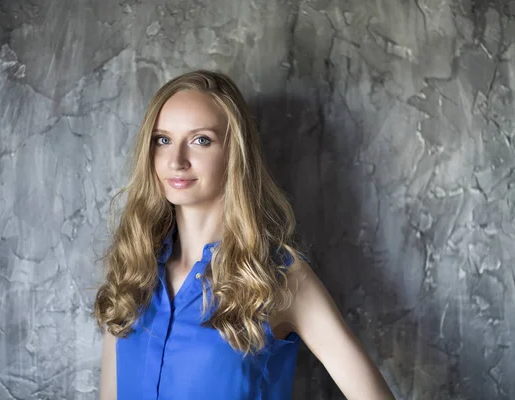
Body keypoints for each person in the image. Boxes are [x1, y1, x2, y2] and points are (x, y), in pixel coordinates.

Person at [93, 70, 395, 399]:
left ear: (234, 153)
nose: (176, 160)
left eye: (201, 140)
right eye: (162, 140)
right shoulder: (132, 272)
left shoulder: (280, 278)